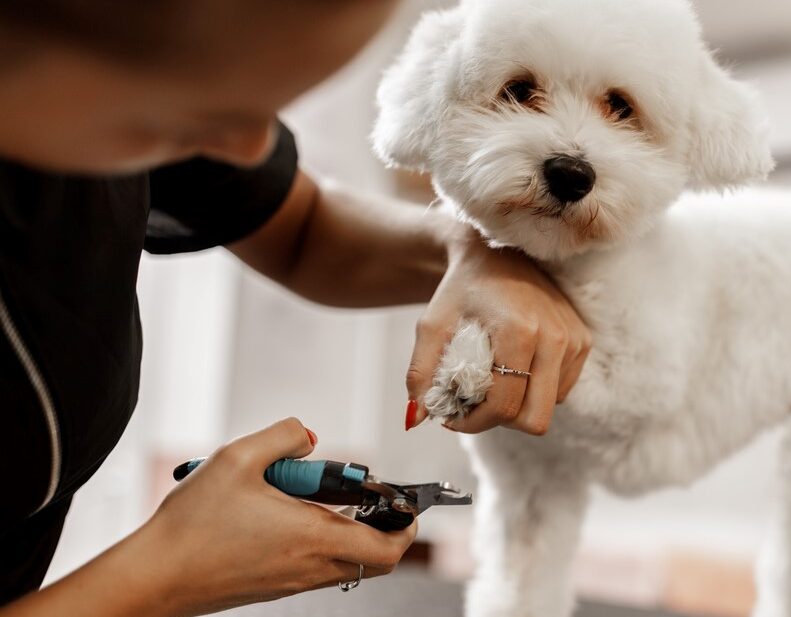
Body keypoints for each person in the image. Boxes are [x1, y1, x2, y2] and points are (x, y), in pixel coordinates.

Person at [0, 1, 591, 615]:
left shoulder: (117, 90)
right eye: (212, 109)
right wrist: (166, 573)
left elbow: (302, 227)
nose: (252, 149)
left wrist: (469, 248)